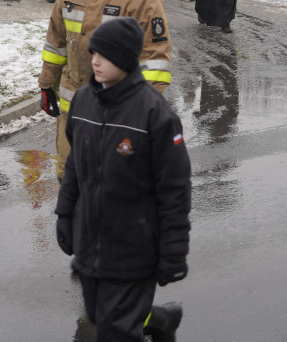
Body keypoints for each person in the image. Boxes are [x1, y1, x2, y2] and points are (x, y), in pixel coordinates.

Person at [55, 17, 190, 342]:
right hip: (90, 243)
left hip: (134, 248)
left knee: (115, 332)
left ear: (126, 61)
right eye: (94, 53)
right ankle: (157, 318)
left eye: (106, 55)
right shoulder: (84, 101)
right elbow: (74, 165)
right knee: (101, 315)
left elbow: (174, 190)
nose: (96, 61)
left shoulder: (154, 114)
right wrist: (64, 214)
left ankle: (136, 320)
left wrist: (173, 251)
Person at [39, 0, 173, 180]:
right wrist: (47, 83)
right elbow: (55, 42)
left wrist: (144, 108)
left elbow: (155, 58)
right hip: (73, 109)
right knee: (69, 177)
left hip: (118, 113)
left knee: (112, 183)